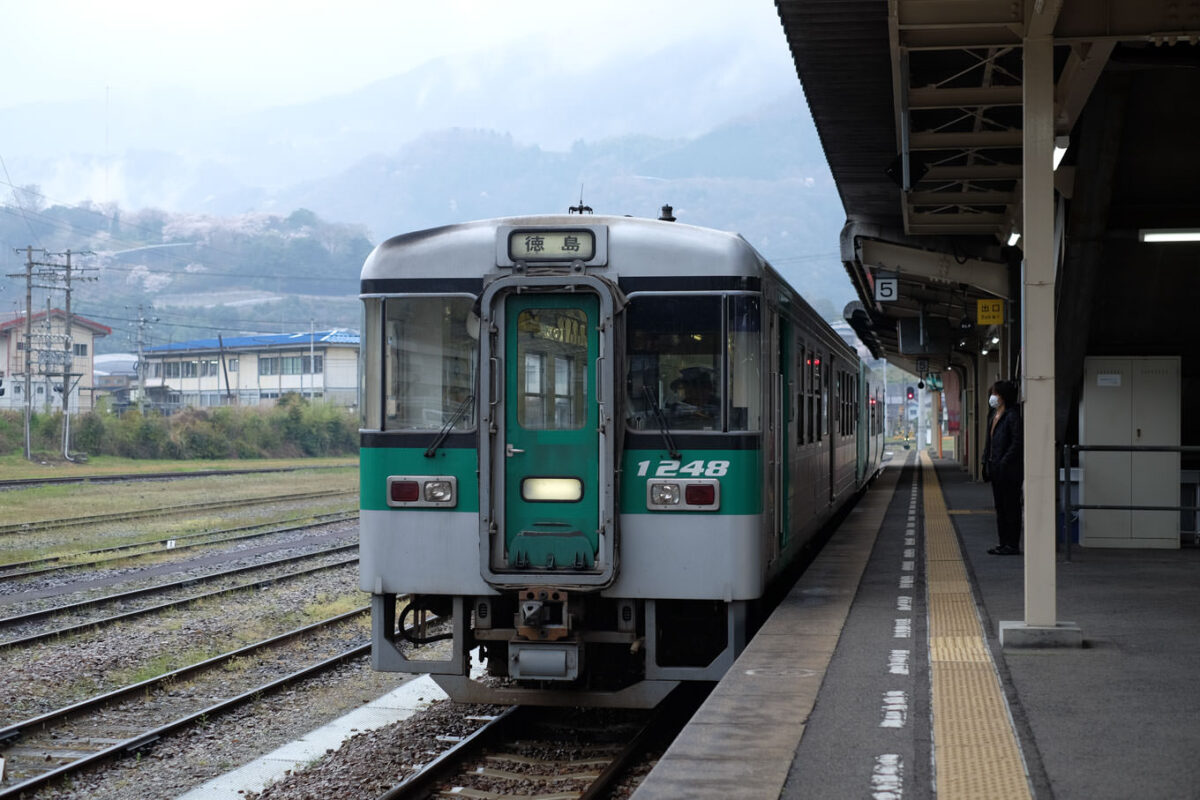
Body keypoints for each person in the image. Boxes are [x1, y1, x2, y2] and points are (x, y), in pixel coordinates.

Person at [983, 379, 1023, 555]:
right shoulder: (993, 415)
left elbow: (1017, 442)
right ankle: (1003, 543)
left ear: (1004, 396)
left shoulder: (1013, 415)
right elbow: (989, 442)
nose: (993, 397)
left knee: (1011, 506)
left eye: (996, 393)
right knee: (1000, 507)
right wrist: (986, 461)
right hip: (995, 467)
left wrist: (1004, 461)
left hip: (1009, 469)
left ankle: (1012, 545)